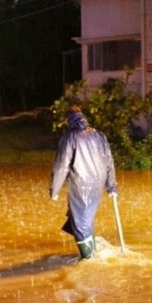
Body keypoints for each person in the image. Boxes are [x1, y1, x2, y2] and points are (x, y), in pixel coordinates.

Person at [50, 109, 117, 259]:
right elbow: (109, 160)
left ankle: (89, 259)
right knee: (81, 217)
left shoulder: (70, 137)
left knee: (81, 223)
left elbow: (62, 165)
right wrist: (111, 186)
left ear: (69, 121)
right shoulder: (99, 135)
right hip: (98, 182)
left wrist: (54, 190)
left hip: (81, 184)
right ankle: (91, 249)